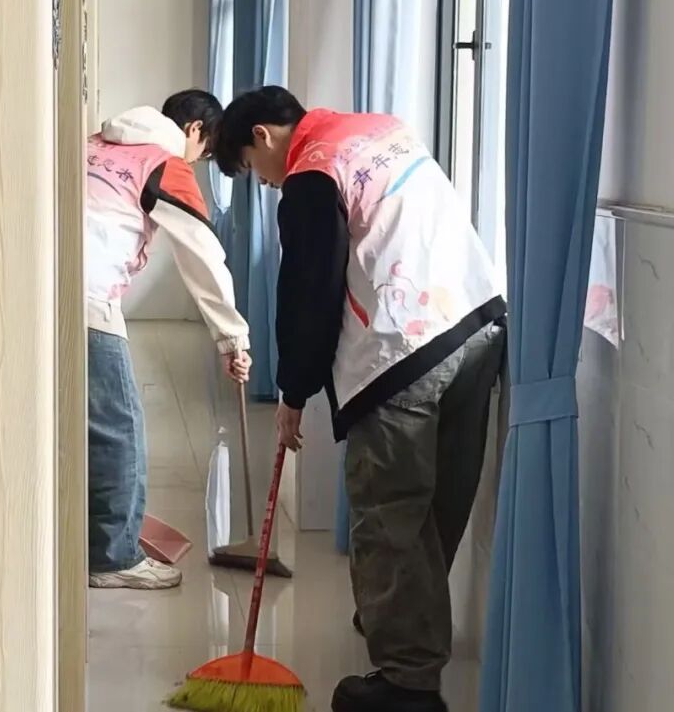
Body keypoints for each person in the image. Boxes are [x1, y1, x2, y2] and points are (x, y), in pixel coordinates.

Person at [214, 86, 506, 712]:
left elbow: (309, 292)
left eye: (254, 170)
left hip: (401, 353)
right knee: (440, 499)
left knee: (389, 515)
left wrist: (294, 390)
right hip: (476, 324)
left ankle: (407, 683)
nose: (266, 183)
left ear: (262, 135)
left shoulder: (311, 173)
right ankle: (400, 620)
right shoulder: (381, 129)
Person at [86, 89, 251, 590]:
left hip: (31, 297)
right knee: (118, 430)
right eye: (205, 150)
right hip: (87, 298)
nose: (197, 160)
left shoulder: (91, 143)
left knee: (76, 425)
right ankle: (112, 559)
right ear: (195, 130)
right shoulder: (166, 163)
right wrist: (233, 338)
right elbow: (202, 255)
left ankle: (88, 535)